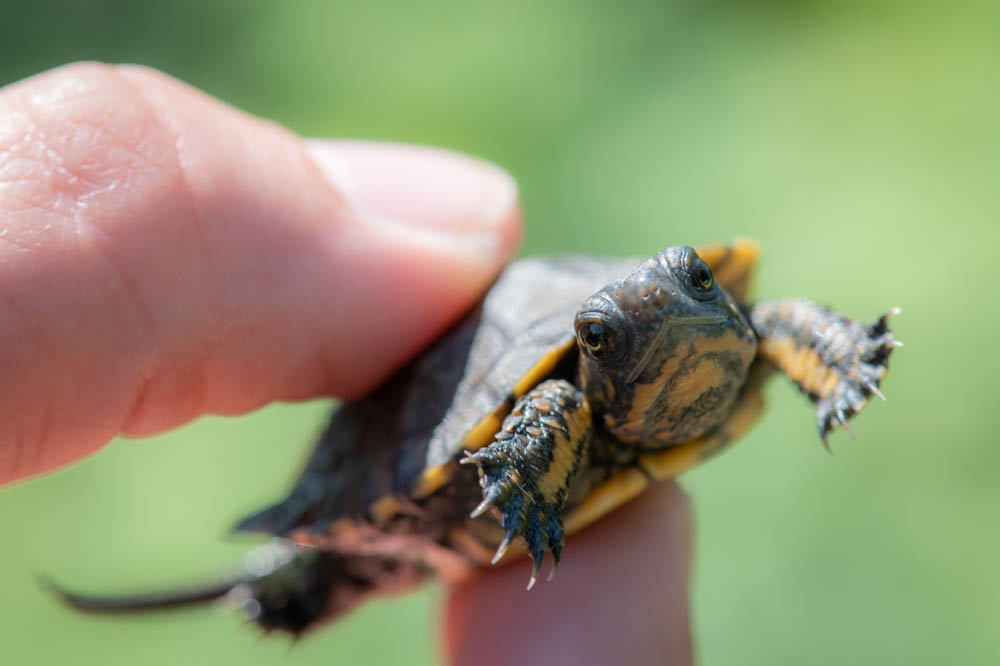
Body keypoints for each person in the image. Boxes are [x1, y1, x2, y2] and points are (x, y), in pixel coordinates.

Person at [0, 63, 692, 665]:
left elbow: (770, 319)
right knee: (330, 566)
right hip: (442, 484)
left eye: (694, 282)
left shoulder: (731, 328)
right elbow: (556, 394)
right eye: (606, 336)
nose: (669, 314)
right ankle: (300, 577)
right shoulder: (568, 397)